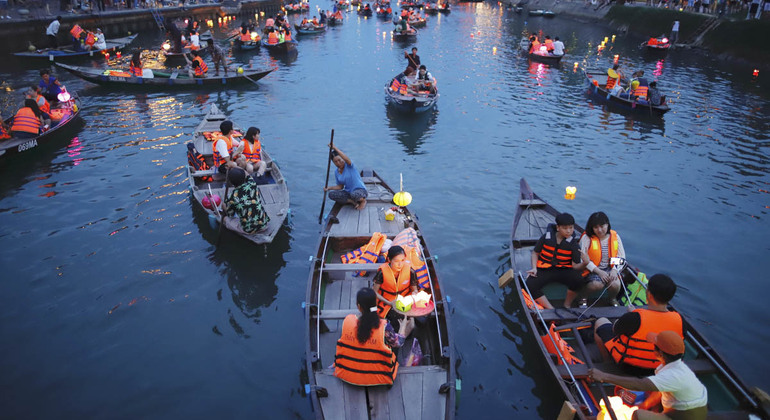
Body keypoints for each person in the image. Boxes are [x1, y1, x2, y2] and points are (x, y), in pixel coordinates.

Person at [589, 331, 708, 420]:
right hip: (680, 410)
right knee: (650, 397)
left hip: (686, 416)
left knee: (638, 415)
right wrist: (646, 404)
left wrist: (603, 376)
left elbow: (640, 384)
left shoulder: (673, 375)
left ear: (659, 353)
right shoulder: (674, 366)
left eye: (653, 345)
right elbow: (660, 389)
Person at [594, 274, 683, 376]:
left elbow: (615, 329)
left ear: (648, 294)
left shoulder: (635, 317)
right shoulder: (679, 319)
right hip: (660, 368)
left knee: (601, 322)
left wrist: (631, 314)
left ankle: (608, 363)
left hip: (628, 367)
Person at [334, 287, 407, 386]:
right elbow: (398, 343)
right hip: (378, 378)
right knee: (392, 345)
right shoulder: (385, 326)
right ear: (376, 304)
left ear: (359, 306)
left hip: (347, 375)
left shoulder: (347, 320)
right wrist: (403, 327)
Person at [525, 212, 586, 309]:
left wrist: (586, 263)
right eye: (565, 228)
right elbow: (535, 253)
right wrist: (534, 268)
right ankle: (550, 308)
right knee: (529, 284)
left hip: (564, 270)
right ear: (558, 228)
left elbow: (575, 266)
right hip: (546, 269)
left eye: (571, 228)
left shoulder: (574, 244)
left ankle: (567, 304)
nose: (568, 231)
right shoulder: (546, 237)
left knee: (579, 280)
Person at [578, 211, 626, 307]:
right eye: (596, 227)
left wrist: (614, 270)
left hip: (610, 268)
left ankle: (612, 298)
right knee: (597, 284)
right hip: (592, 269)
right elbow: (582, 259)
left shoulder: (615, 237)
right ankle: (583, 297)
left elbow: (621, 257)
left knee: (615, 284)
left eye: (602, 226)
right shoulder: (587, 238)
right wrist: (599, 271)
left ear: (607, 224)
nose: (599, 230)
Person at [373, 246, 420, 321]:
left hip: (405, 299)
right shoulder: (382, 273)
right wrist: (389, 303)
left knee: (420, 319)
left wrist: (415, 293)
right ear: (389, 260)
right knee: (393, 318)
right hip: (387, 300)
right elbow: (374, 292)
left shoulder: (410, 271)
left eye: (402, 260)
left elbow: (415, 290)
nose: (400, 264)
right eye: (396, 261)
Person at [223, 168, 270, 234]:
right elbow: (247, 174)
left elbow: (230, 214)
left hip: (248, 230)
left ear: (230, 182)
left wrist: (224, 206)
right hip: (264, 225)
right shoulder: (252, 184)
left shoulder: (232, 197)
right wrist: (235, 166)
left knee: (225, 219)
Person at [324, 144, 368, 210]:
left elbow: (347, 159)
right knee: (331, 194)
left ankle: (363, 200)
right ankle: (352, 202)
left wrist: (335, 148)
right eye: (335, 162)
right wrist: (329, 188)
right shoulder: (337, 172)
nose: (338, 163)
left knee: (354, 195)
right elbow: (340, 186)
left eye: (339, 160)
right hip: (348, 192)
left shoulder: (349, 166)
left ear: (342, 158)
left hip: (360, 191)